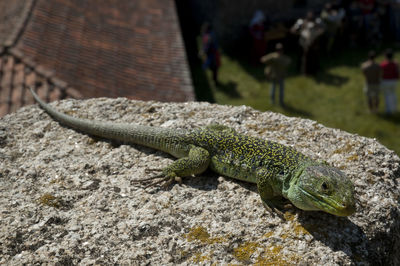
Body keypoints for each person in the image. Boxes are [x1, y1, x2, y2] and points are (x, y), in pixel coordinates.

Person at [380, 49, 399, 114]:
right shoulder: (395, 63)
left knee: (387, 95)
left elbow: (381, 73)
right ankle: (394, 108)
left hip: (386, 81)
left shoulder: (383, 64)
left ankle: (388, 110)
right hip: (394, 80)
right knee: (393, 94)